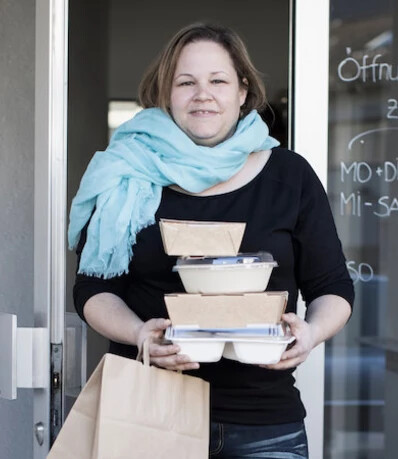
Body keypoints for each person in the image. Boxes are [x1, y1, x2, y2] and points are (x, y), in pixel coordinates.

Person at [68, 23, 353, 459]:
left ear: (242, 91)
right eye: (186, 82)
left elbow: (333, 286)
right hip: (146, 415)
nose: (203, 94)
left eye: (218, 81)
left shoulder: (289, 176)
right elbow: (93, 288)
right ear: (166, 94)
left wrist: (310, 334)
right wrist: (139, 332)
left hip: (263, 425)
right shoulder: (126, 173)